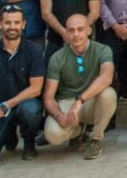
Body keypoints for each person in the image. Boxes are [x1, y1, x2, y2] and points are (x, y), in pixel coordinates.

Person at [0, 5, 45, 165]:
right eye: (7, 22)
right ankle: (9, 135)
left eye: (16, 22)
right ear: (0, 23)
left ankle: (29, 143)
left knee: (31, 109)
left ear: (23, 24)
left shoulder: (34, 50)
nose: (12, 27)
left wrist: (7, 105)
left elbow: (36, 88)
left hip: (23, 105)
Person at [42, 14, 118, 160]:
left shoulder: (103, 50)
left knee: (108, 94)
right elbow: (49, 97)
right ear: (66, 32)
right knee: (52, 135)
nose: (75, 34)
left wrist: (80, 100)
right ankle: (78, 130)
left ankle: (95, 139)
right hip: (67, 103)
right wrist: (59, 116)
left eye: (80, 29)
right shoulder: (57, 57)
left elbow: (107, 77)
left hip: (90, 102)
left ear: (89, 30)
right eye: (71, 30)